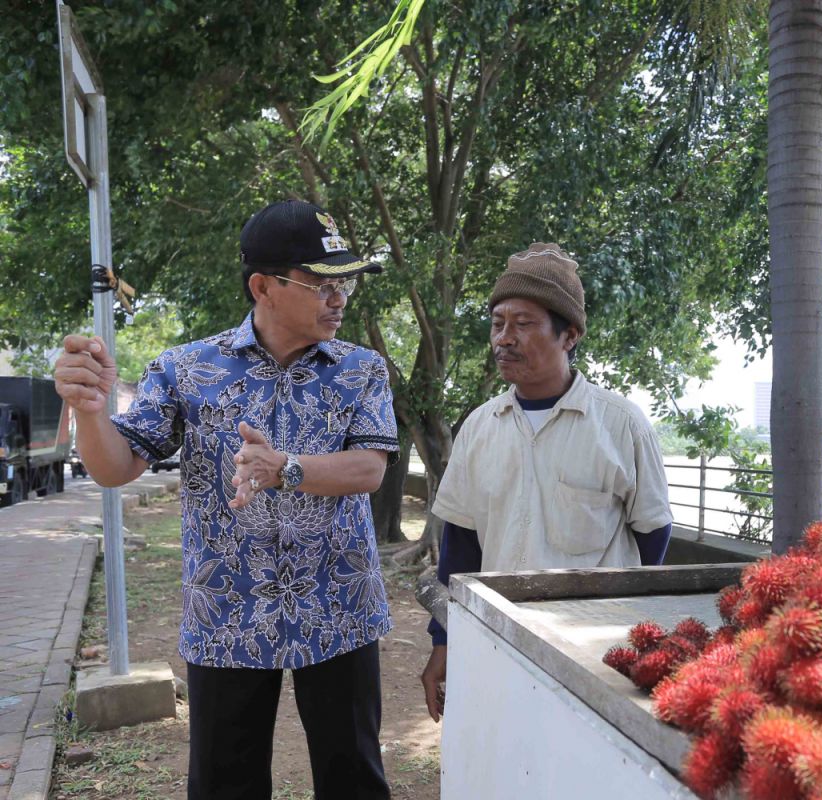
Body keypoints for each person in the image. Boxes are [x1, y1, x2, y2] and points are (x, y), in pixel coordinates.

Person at [53, 199, 401, 800]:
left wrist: (283, 467)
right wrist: (89, 411)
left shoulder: (361, 370)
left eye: (343, 282)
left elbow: (369, 469)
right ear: (262, 286)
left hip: (340, 605)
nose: (338, 297)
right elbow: (117, 466)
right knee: (224, 784)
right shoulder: (187, 369)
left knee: (354, 780)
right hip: (227, 614)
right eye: (320, 282)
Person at [419, 243, 673, 721]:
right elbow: (462, 545)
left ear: (569, 335)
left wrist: (618, 624)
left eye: (524, 323)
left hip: (594, 658)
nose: (504, 339)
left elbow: (652, 536)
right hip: (497, 644)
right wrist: (445, 642)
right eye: (497, 324)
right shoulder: (479, 426)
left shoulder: (621, 426)